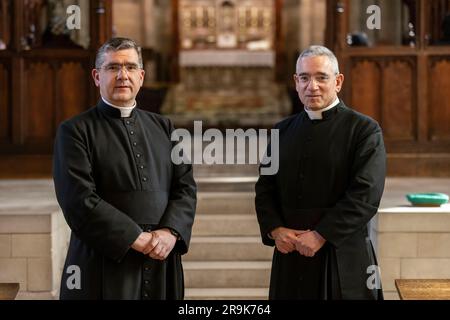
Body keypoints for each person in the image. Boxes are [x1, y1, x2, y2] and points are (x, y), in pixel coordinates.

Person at [53, 37, 197, 299]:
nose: (123, 75)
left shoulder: (164, 128)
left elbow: (185, 187)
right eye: (113, 68)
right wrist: (137, 238)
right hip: (104, 261)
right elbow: (79, 200)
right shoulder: (74, 131)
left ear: (141, 76)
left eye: (130, 67)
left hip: (161, 257)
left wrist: (170, 232)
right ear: (97, 77)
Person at [255, 45, 386, 300]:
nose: (311, 86)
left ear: (338, 81)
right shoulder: (282, 131)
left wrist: (321, 234)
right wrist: (275, 229)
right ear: (295, 82)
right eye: (304, 78)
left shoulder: (364, 130)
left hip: (343, 254)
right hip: (291, 255)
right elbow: (265, 188)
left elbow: (366, 194)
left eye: (321, 77)